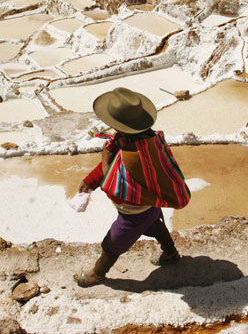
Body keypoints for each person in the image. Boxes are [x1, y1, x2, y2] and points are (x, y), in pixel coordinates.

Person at [74, 87, 191, 287]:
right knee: (155, 225)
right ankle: (171, 254)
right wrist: (89, 181)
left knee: (112, 243)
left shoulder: (135, 157)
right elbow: (114, 167)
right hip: (150, 203)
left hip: (134, 212)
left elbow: (115, 189)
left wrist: (104, 160)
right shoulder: (144, 139)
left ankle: (97, 274)